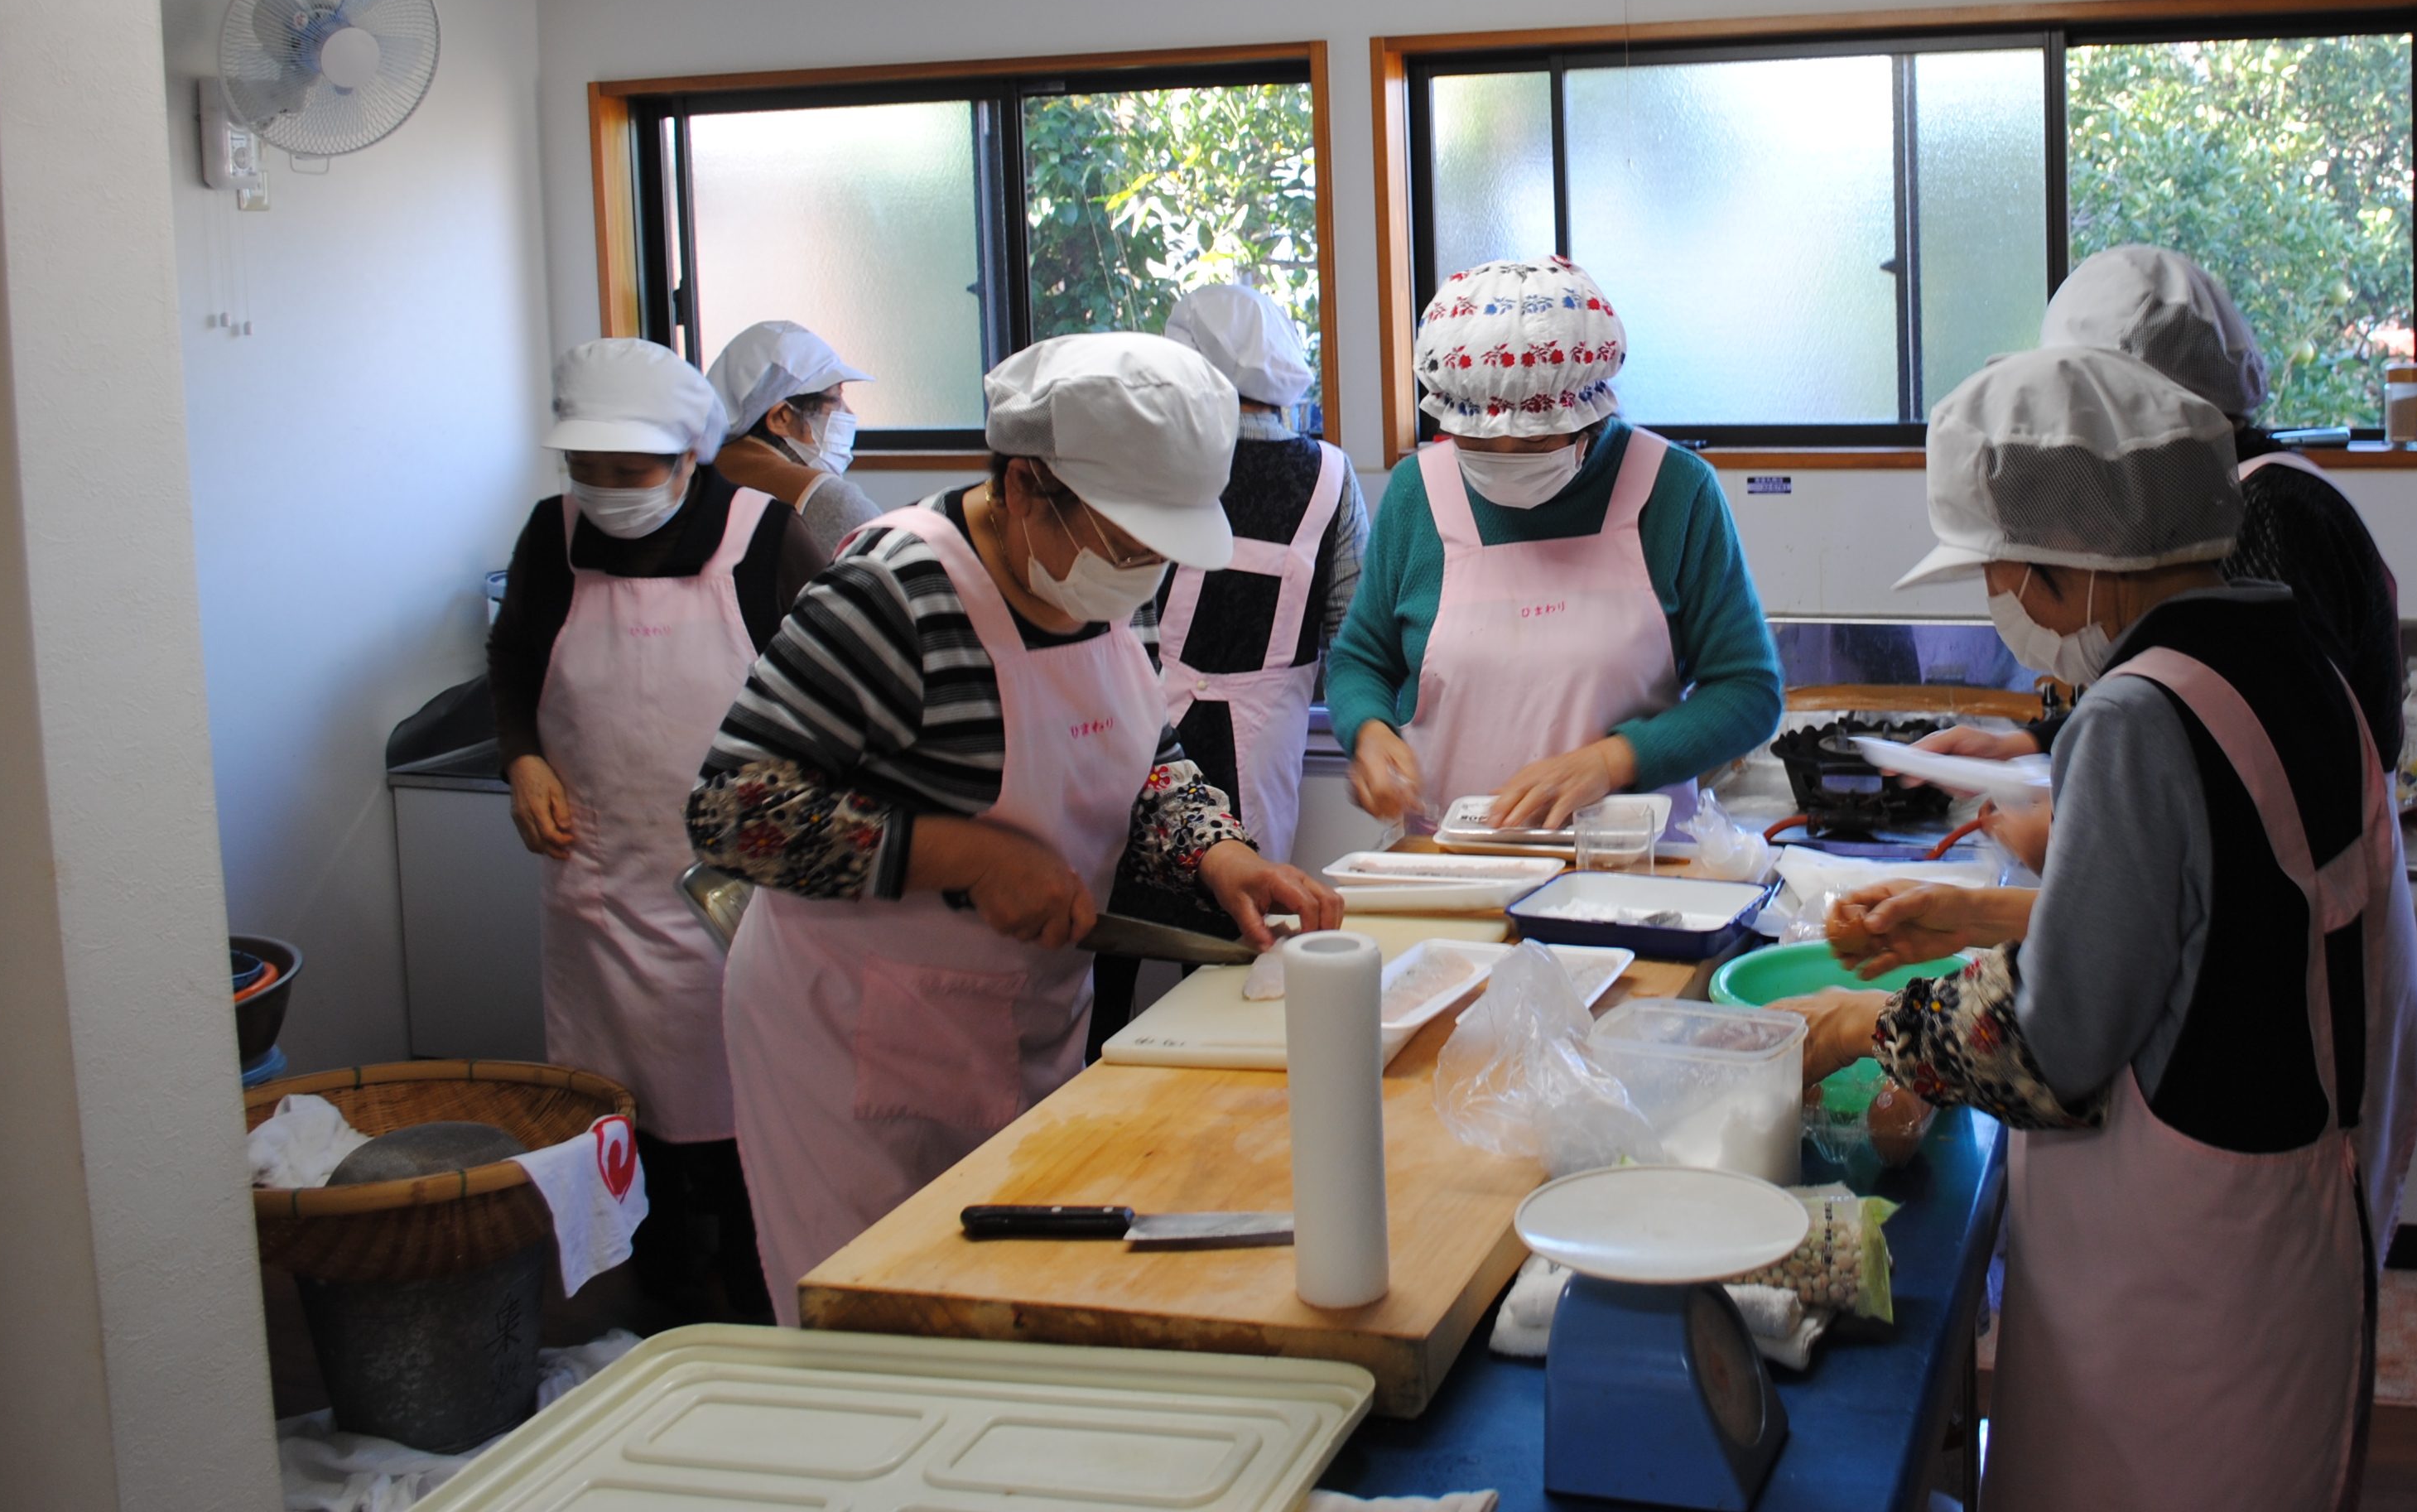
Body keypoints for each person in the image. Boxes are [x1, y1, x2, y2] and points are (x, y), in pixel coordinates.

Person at [1778, 344, 2407, 1512]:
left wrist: (1867, 1024)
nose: (1999, 604)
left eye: (1998, 573)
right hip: (2294, 1232)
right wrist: (1974, 913)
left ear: (2071, 569)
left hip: (2178, 1286)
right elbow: (2206, 934)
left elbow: (2056, 1038)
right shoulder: (2284, 656)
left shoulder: (2137, 713)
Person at [688, 334, 1345, 1322]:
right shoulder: (893, 592)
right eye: (1132, 543)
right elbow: (730, 813)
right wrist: (964, 855)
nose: (1146, 570)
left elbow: (1144, 757)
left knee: (1016, 1310)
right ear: (1030, 487)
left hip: (1018, 1021)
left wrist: (1217, 850)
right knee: (884, 1331)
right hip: (852, 1046)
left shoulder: (1083, 584)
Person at [1903, 241, 2417, 1249]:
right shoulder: (2244, 609)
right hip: (2280, 1151)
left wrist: (1862, 1025)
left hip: (2222, 1195)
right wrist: (2039, 768)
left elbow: (2068, 1026)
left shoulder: (2258, 531)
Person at [488, 336, 830, 1323]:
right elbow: (512, 655)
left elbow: (833, 692)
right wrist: (523, 758)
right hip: (598, 877)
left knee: (747, 1112)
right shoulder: (549, 535)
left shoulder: (765, 535)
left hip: (739, 889)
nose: (603, 490)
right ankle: (652, 1314)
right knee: (620, 1118)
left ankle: (764, 1312)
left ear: (689, 454)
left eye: (627, 469)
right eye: (583, 469)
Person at [1328, 256, 1784, 832]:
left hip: (1632, 868)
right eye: (1479, 442)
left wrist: (1615, 760)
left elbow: (1749, 690)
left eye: (1533, 443)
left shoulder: (1674, 490)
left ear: (1588, 413)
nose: (1503, 462)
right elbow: (1360, 659)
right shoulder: (1417, 493)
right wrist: (1368, 730)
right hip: (1449, 864)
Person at [1148, 282, 1365, 863]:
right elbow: (1352, 637)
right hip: (1265, 742)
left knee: (1115, 923)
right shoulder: (1330, 476)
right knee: (1247, 923)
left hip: (1142, 732)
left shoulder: (1155, 462)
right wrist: (1369, 736)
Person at [707, 320, 881, 551]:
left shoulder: (691, 481)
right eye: (835, 399)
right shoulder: (831, 502)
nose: (849, 413)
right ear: (781, 418)